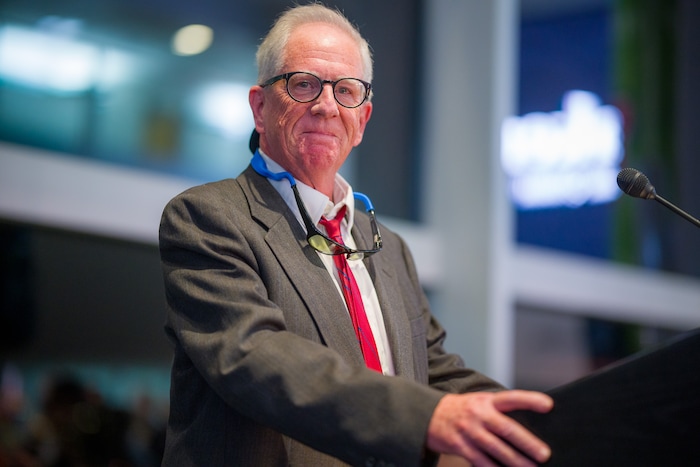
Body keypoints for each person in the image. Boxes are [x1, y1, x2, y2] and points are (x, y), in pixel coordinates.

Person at [159, 3, 553, 466]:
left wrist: (546, 424)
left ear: (362, 121)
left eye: (347, 91)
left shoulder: (389, 248)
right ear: (260, 107)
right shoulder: (207, 217)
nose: (327, 106)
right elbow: (256, 359)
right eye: (304, 84)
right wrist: (426, 419)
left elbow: (436, 372)